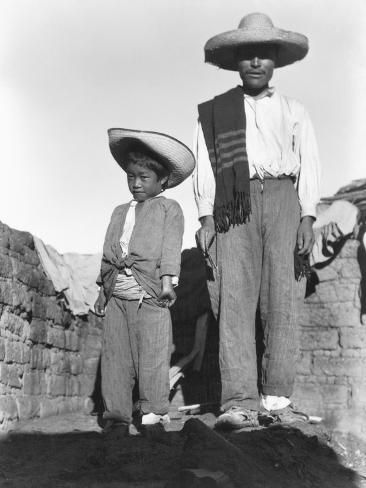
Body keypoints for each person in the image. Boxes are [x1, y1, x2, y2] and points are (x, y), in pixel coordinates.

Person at [193, 13, 321, 429]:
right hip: (235, 202)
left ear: (275, 62)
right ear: (235, 61)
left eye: (263, 55)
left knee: (282, 296)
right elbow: (206, 170)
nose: (255, 62)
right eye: (247, 54)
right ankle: (239, 400)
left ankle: (277, 397)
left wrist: (307, 215)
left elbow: (309, 165)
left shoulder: (295, 110)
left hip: (284, 198)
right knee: (235, 299)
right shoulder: (214, 113)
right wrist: (206, 216)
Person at [95, 128, 195, 435]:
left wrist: (167, 283)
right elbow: (108, 252)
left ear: (162, 180)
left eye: (144, 177)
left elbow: (169, 249)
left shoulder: (169, 209)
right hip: (117, 298)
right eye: (130, 176)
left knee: (152, 355)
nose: (136, 183)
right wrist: (103, 291)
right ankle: (117, 416)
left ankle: (153, 412)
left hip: (150, 295)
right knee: (115, 358)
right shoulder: (118, 212)